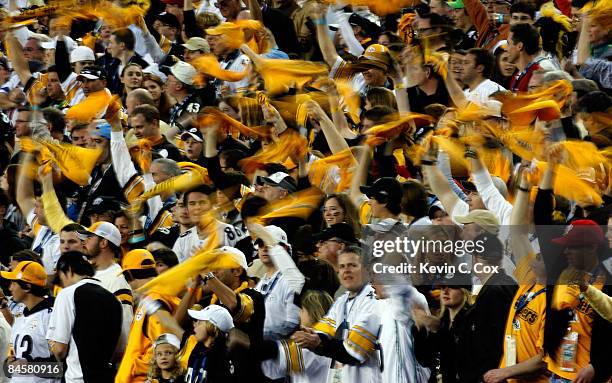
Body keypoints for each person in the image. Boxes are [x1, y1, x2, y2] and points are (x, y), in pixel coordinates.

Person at [293, 246, 382, 382]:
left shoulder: (372, 299)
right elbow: (324, 333)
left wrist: (317, 342)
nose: (346, 270)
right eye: (342, 266)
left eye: (352, 265)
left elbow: (354, 353)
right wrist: (309, 334)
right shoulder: (342, 301)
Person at [47, 251, 123, 383]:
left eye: (60, 276)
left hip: (77, 379)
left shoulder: (67, 294)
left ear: (69, 270)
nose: (62, 283)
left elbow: (59, 350)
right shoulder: (113, 298)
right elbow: (119, 349)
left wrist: (54, 348)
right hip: (106, 377)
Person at [0, 261, 59, 382]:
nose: (10, 288)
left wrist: (31, 366)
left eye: (14, 283)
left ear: (27, 287)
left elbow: (63, 366)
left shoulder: (52, 316)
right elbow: (11, 368)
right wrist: (9, 364)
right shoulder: (20, 317)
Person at [184, 305, 235, 382]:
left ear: (212, 326)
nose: (195, 324)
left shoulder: (222, 358)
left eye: (200, 321)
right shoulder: (197, 351)